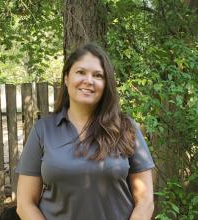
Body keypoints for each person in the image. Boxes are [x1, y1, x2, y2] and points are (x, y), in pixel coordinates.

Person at [16, 43, 155, 220]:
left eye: (98, 75)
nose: (89, 80)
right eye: (81, 72)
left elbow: (145, 201)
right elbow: (25, 203)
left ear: (106, 84)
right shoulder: (43, 130)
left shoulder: (126, 128)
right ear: (66, 78)